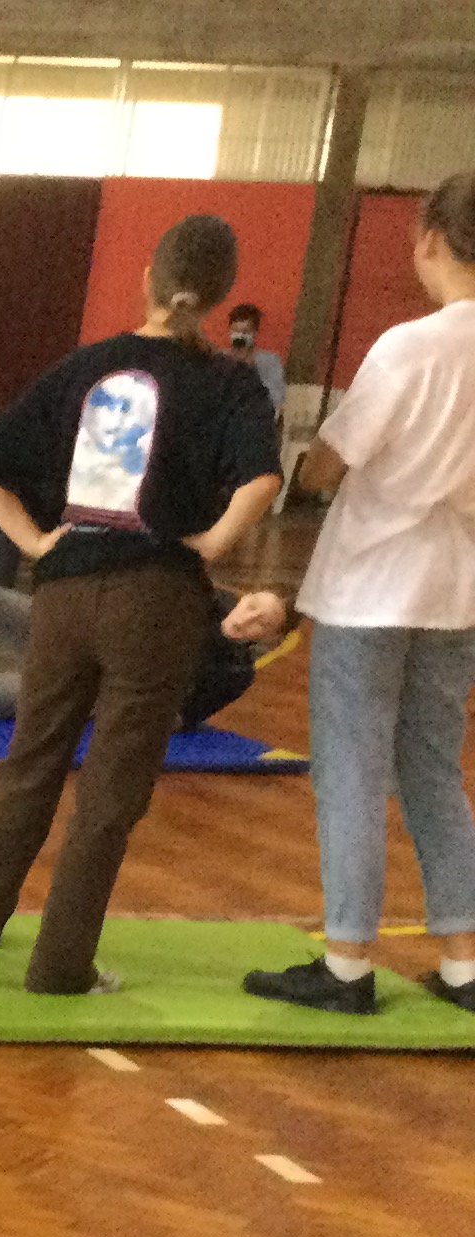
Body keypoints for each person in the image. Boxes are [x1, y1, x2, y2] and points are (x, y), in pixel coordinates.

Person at [0, 214, 280, 995]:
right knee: (111, 788)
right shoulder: (229, 382)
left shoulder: (86, 366)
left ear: (149, 278)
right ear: (220, 295)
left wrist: (35, 541)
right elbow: (261, 479)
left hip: (64, 590)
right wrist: (211, 542)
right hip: (154, 600)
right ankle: (61, 964)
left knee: (31, 757)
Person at [243, 174, 475, 1018]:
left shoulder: (410, 347)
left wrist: (302, 458)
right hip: (456, 594)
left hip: (370, 589)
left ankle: (346, 964)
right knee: (434, 772)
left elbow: (327, 467)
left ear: (430, 240)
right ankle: (464, 965)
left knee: (350, 773)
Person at [0, 543, 285, 734]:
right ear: (242, 598)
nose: (247, 619)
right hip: (81, 637)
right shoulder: (202, 598)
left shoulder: (235, 672)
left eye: (260, 623)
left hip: (89, 691)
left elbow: (177, 719)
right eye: (251, 606)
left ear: (266, 638)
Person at [227, 303, 289, 417]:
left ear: (254, 333)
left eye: (245, 332)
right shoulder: (220, 360)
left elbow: (276, 397)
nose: (239, 337)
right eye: (235, 331)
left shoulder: (269, 362)